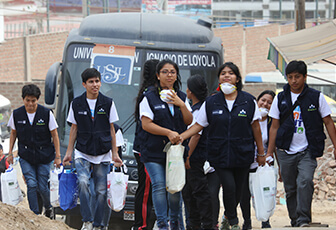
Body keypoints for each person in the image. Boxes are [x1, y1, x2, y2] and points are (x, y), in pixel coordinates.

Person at [179, 62, 266, 230]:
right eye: (223, 73)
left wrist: (261, 153)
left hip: (243, 153)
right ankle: (233, 221)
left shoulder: (248, 101)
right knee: (229, 186)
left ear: (237, 79)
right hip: (219, 154)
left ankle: (227, 215)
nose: (227, 75)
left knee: (239, 190)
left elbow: (256, 127)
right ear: (219, 78)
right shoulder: (211, 102)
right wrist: (181, 137)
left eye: (231, 73)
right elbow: (198, 126)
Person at [266, 60, 336, 228]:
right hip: (285, 151)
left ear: (305, 77)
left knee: (305, 181)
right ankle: (295, 219)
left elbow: (328, 122)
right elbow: (274, 126)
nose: (294, 81)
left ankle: (303, 219)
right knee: (290, 188)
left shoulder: (316, 97)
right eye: (290, 77)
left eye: (297, 77)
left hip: (307, 150)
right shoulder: (280, 98)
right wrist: (269, 152)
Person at [63, 68, 123, 230]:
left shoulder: (108, 102)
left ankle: (98, 225)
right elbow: (74, 129)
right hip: (82, 151)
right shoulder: (77, 104)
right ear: (84, 84)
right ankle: (87, 220)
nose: (95, 85)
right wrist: (69, 153)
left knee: (101, 192)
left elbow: (112, 129)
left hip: (103, 153)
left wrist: (115, 154)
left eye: (97, 81)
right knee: (83, 183)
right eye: (91, 82)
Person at [139, 59, 193, 230]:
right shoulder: (149, 97)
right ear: (158, 75)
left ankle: (175, 222)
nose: (169, 75)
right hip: (154, 151)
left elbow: (189, 121)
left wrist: (181, 104)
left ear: (176, 75)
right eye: (165, 71)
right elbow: (146, 124)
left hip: (176, 153)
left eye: (172, 72)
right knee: (159, 185)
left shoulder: (182, 97)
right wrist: (168, 132)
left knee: (175, 189)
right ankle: (162, 223)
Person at [7, 84, 61, 218]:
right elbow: (13, 134)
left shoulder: (46, 114)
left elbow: (54, 135)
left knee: (42, 186)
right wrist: (10, 153)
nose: (30, 104)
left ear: (38, 100)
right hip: (26, 156)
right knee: (31, 184)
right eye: (27, 100)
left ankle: (48, 207)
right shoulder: (17, 114)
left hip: (45, 156)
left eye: (33, 101)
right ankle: (34, 214)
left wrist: (58, 156)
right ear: (23, 99)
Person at [239, 90, 276, 230]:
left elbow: (273, 144)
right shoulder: (248, 118)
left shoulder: (272, 122)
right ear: (257, 101)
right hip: (246, 161)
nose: (265, 104)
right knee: (244, 194)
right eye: (263, 100)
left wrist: (270, 158)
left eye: (269, 102)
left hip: (263, 164)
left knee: (264, 192)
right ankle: (247, 221)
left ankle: (265, 220)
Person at [182, 74, 214, 230]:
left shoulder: (199, 110)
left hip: (196, 157)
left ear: (190, 92)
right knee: (191, 193)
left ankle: (206, 224)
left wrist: (187, 156)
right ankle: (194, 224)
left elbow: (195, 135)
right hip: (199, 156)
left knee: (199, 193)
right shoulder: (203, 107)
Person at [132, 59, 159, 230]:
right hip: (145, 149)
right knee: (146, 190)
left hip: (148, 148)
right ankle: (140, 225)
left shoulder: (150, 91)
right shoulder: (150, 94)